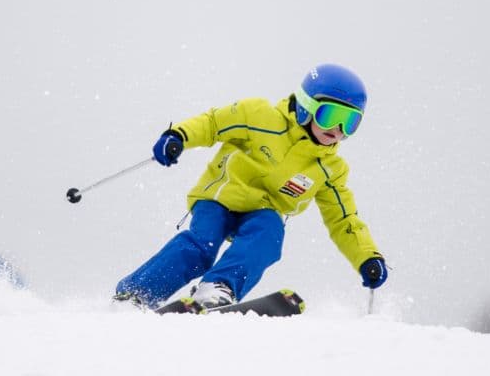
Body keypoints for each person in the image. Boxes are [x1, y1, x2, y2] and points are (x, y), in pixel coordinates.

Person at [115, 63, 388, 309]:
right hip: (221, 199)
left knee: (269, 236)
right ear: (306, 105)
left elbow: (344, 220)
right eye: (330, 115)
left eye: (351, 122)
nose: (338, 129)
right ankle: (138, 292)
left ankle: (218, 287)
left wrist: (366, 257)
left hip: (263, 212)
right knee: (202, 245)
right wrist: (179, 136)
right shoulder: (259, 116)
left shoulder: (329, 169)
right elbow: (212, 124)